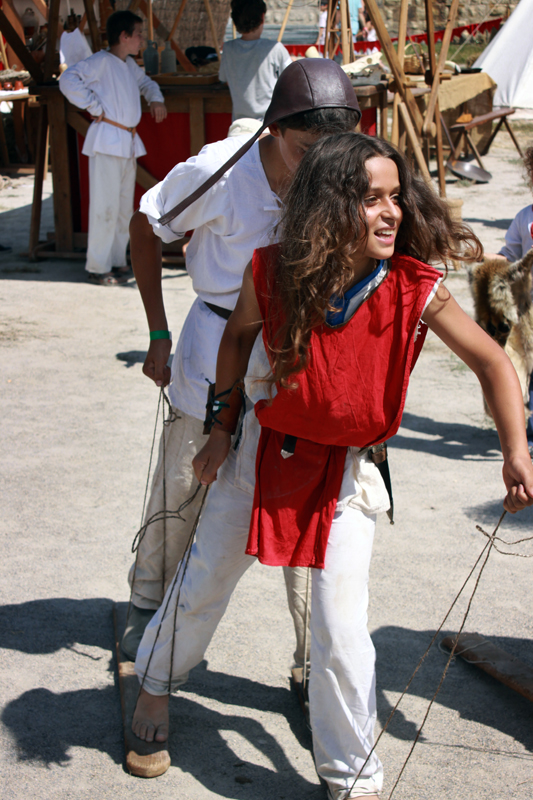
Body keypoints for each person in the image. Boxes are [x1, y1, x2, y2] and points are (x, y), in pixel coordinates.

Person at [132, 133, 533, 797]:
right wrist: (219, 430)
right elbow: (235, 339)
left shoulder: (414, 287)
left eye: (395, 197)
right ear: (326, 205)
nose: (391, 212)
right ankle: (152, 685)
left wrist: (514, 450)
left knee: (342, 631)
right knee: (203, 582)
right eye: (370, 198)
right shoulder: (271, 271)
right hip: (259, 457)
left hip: (346, 476)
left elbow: (492, 361)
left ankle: (352, 778)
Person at [122, 59, 362, 667]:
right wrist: (156, 330)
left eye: (330, 151)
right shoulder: (218, 172)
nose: (319, 166)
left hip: (299, 356)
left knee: (308, 508)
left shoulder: (340, 176)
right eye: (307, 149)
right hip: (215, 342)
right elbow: (147, 228)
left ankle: (312, 663)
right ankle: (149, 614)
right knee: (184, 488)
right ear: (275, 130)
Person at [59, 10, 167, 286]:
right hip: (108, 139)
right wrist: (94, 107)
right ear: (124, 36)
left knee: (122, 209)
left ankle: (117, 260)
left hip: (126, 142)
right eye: (139, 34)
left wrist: (155, 98)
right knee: (104, 207)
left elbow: (146, 83)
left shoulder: (128, 64)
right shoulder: (100, 62)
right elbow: (67, 80)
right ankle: (98, 266)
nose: (142, 39)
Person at [484, 144, 533, 455]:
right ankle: (523, 435)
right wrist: (482, 257)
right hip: (527, 313)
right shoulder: (525, 217)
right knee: (522, 373)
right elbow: (509, 257)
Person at [219, 0, 292, 121]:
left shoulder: (228, 49)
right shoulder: (275, 48)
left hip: (239, 124)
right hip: (269, 125)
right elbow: (293, 79)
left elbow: (223, 79)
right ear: (262, 17)